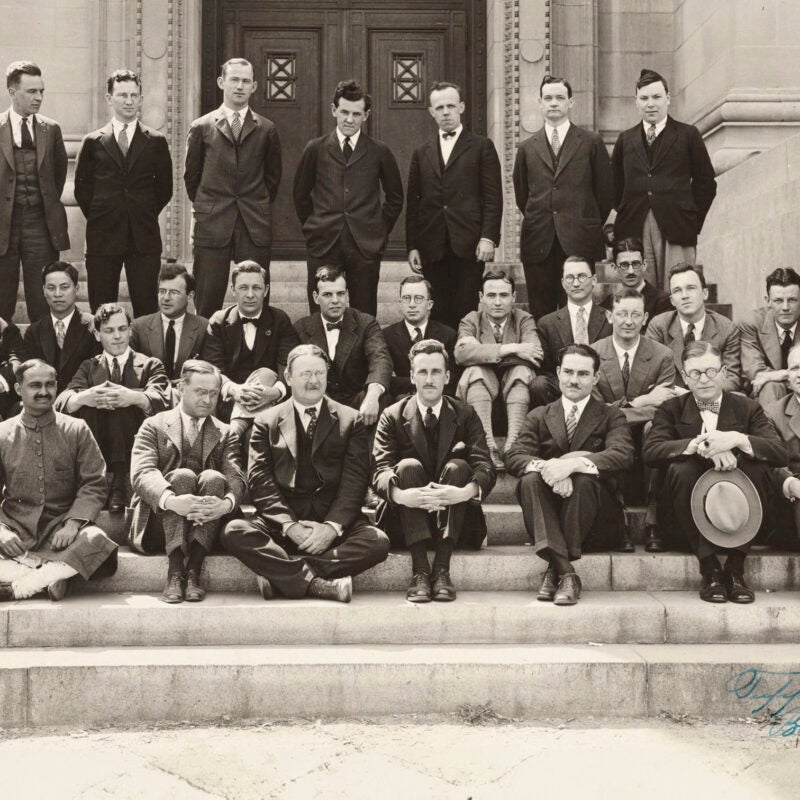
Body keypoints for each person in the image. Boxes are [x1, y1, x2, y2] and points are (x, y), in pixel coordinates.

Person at [221, 344, 390, 602]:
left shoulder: (350, 420)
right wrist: (289, 526)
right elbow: (260, 481)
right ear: (288, 377)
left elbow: (355, 481)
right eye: (305, 374)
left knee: (377, 541)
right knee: (235, 531)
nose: (314, 381)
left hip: (330, 522)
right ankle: (320, 584)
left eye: (319, 374)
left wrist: (331, 528)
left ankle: (283, 575)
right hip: (282, 526)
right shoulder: (266, 422)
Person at [643, 341, 788, 603]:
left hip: (737, 513)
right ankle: (709, 568)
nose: (704, 379)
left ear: (723, 373)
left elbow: (779, 452)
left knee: (759, 465)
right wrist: (704, 444)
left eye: (711, 371)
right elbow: (651, 451)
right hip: (686, 519)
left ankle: (735, 568)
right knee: (681, 467)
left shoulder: (748, 408)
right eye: (695, 373)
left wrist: (735, 439)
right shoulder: (671, 409)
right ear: (685, 378)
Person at [505, 344, 634, 606]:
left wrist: (573, 465)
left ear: (595, 378)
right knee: (529, 479)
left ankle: (555, 567)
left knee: (584, 479)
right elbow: (515, 456)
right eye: (568, 372)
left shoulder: (611, 415)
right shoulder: (539, 415)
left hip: (597, 519)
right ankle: (566, 573)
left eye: (583, 374)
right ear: (558, 373)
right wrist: (551, 469)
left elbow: (623, 454)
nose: (574, 380)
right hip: (551, 511)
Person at [373, 339, 495, 602]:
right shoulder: (392, 415)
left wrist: (463, 493)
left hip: (456, 518)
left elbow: (485, 465)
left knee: (459, 467)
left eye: (436, 372)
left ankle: (441, 570)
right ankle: (419, 570)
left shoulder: (465, 413)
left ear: (448, 376)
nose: (429, 379)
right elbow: (379, 470)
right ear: (412, 376)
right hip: (404, 520)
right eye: (423, 372)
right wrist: (402, 496)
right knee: (407, 467)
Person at [129, 360, 246, 603]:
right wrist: (171, 501)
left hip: (207, 529)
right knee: (182, 477)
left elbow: (236, 475)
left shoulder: (226, 432)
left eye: (213, 393)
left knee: (214, 478)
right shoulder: (154, 425)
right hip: (158, 524)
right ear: (181, 389)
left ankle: (192, 570)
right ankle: (174, 570)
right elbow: (142, 473)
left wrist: (225, 504)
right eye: (200, 392)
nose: (207, 399)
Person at [0, 360, 117, 601]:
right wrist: (1, 532)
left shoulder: (77, 429)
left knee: (96, 540)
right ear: (17, 388)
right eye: (35, 385)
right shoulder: (2, 434)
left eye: (49, 385)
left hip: (62, 528)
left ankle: (20, 587)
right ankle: (51, 577)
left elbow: (93, 483)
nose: (44, 392)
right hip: (15, 528)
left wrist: (73, 525)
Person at [293, 80, 403, 316]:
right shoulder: (315, 148)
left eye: (356, 114)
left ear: (366, 115)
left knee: (364, 312)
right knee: (321, 311)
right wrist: (315, 226)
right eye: (344, 112)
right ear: (334, 110)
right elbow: (300, 195)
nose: (349, 119)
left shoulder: (379, 151)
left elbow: (395, 197)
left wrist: (378, 231)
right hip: (324, 243)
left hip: (364, 246)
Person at [184, 57, 282, 317]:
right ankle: (204, 354)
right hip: (213, 220)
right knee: (207, 297)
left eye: (246, 81)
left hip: (253, 222)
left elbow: (273, 178)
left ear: (254, 86)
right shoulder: (202, 127)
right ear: (221, 82)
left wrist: (254, 202)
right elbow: (191, 179)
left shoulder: (267, 129)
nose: (240, 86)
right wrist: (210, 206)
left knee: (255, 296)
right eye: (234, 79)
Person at [512, 75, 614, 320]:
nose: (553, 103)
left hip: (579, 237)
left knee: (580, 309)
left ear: (571, 102)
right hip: (539, 239)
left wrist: (582, 219)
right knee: (542, 312)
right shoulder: (526, 147)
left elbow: (605, 192)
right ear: (539, 103)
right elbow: (522, 194)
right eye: (548, 98)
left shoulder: (591, 142)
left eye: (559, 97)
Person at [73, 69, 173, 316]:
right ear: (109, 98)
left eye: (134, 95)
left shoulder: (156, 141)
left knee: (146, 305)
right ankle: (102, 354)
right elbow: (81, 190)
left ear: (140, 99)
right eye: (122, 95)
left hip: (144, 236)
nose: (129, 101)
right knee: (102, 305)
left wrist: (142, 212)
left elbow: (165, 189)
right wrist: (104, 213)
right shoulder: (92, 141)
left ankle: (144, 354)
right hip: (103, 235)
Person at [55, 303, 171, 511]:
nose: (117, 336)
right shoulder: (89, 366)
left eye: (122, 329)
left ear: (130, 329)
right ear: (98, 335)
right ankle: (97, 482)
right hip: (98, 439)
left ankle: (119, 483)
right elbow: (62, 401)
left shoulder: (150, 364)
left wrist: (133, 397)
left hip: (136, 442)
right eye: (109, 331)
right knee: (90, 402)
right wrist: (85, 397)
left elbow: (163, 400)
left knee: (124, 402)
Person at [406, 81, 503, 330]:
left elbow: (493, 197)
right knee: (436, 311)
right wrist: (412, 246)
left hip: (469, 245)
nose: (446, 111)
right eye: (440, 107)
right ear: (431, 112)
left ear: (461, 107)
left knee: (465, 309)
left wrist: (488, 238)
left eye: (451, 105)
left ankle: (463, 365)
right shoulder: (421, 152)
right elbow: (414, 203)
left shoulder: (482, 146)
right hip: (431, 245)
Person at [612, 69, 717, 290]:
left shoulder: (688, 135)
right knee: (640, 292)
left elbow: (706, 183)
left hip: (678, 227)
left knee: (678, 289)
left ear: (668, 99)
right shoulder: (625, 139)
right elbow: (615, 186)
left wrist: (692, 220)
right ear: (636, 102)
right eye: (644, 98)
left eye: (657, 97)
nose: (650, 103)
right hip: (636, 227)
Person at [592, 287, 676, 552]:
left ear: (646, 317)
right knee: (611, 432)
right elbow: (594, 409)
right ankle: (620, 521)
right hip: (610, 430)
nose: (628, 321)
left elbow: (664, 406)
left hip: (648, 430)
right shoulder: (592, 353)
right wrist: (637, 403)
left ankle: (653, 521)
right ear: (609, 316)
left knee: (657, 428)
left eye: (635, 315)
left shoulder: (663, 355)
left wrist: (616, 410)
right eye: (622, 314)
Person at [0, 62, 69, 323]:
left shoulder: (51, 129)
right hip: (3, 226)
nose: (38, 97)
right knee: (1, 299)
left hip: (40, 225)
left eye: (41, 91)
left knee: (42, 301)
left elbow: (58, 177)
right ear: (12, 91)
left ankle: (40, 360)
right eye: (31, 91)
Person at [202, 261, 299, 446]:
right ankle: (238, 428)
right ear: (233, 289)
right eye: (243, 287)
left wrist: (275, 392)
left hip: (271, 402)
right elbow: (213, 367)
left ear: (266, 289)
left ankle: (233, 434)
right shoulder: (218, 321)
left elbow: (287, 364)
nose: (250, 294)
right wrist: (235, 390)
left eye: (256, 288)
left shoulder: (280, 320)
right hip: (230, 402)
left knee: (266, 373)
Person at [454, 270, 542, 469]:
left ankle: (513, 446)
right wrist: (513, 348)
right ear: (481, 297)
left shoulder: (523, 319)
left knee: (521, 371)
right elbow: (461, 354)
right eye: (491, 295)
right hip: (480, 397)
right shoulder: (472, 320)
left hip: (517, 395)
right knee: (474, 372)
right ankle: (487, 446)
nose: (497, 302)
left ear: (514, 297)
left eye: (503, 295)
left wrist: (482, 353)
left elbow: (535, 353)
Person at [294, 267, 391, 428]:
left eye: (340, 294)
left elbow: (380, 359)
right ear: (315, 297)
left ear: (347, 295)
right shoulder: (301, 328)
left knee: (382, 399)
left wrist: (372, 396)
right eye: (327, 295)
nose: (335, 300)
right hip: (318, 402)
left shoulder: (366, 323)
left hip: (358, 405)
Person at [646, 262, 741, 393]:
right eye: (677, 291)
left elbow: (731, 379)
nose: (684, 295)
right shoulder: (659, 326)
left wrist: (694, 395)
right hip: (672, 402)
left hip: (711, 400)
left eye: (691, 288)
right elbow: (650, 376)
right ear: (672, 300)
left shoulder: (726, 329)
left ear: (705, 293)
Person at [530, 256, 612, 408]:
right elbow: (545, 370)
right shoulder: (547, 323)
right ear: (562, 283)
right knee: (539, 384)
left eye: (581, 276)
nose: (576, 283)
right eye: (570, 277)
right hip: (563, 388)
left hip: (601, 387)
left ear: (594, 280)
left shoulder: (610, 318)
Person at [22, 261, 100, 393]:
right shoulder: (34, 331)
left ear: (76, 288)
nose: (57, 294)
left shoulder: (93, 326)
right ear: (44, 291)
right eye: (51, 288)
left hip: (82, 399)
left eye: (64, 287)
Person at [130, 263, 208, 384]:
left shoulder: (204, 327)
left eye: (174, 292)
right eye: (162, 291)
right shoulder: (139, 326)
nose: (166, 297)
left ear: (190, 296)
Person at [382, 275, 457, 398]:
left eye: (418, 298)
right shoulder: (386, 336)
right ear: (400, 303)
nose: (412, 304)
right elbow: (386, 379)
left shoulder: (448, 335)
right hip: (400, 401)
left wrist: (406, 381)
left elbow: (451, 378)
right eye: (406, 298)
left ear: (430, 304)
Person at [739, 267, 800, 409]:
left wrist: (781, 374)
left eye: (792, 300)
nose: (785, 307)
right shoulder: (751, 323)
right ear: (768, 301)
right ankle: (771, 430)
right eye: (778, 300)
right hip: (768, 392)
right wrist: (784, 376)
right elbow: (756, 372)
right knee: (771, 386)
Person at [765, 344, 800, 550]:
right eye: (795, 368)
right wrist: (791, 484)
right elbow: (771, 463)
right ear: (787, 375)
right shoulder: (772, 413)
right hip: (792, 499)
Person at [602, 237, 670, 321]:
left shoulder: (662, 302)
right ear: (615, 268)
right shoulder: (608, 304)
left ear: (644, 265)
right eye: (624, 265)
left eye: (635, 264)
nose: (631, 271)